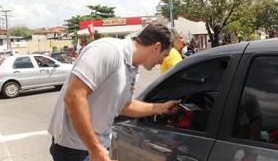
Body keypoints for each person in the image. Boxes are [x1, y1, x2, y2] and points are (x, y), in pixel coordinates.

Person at [47, 23, 181, 161]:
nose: (162, 62)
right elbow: (73, 97)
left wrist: (162, 108)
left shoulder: (132, 69)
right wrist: (94, 148)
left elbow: (123, 106)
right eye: (164, 55)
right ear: (156, 47)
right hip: (76, 149)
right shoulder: (108, 51)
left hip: (100, 146)